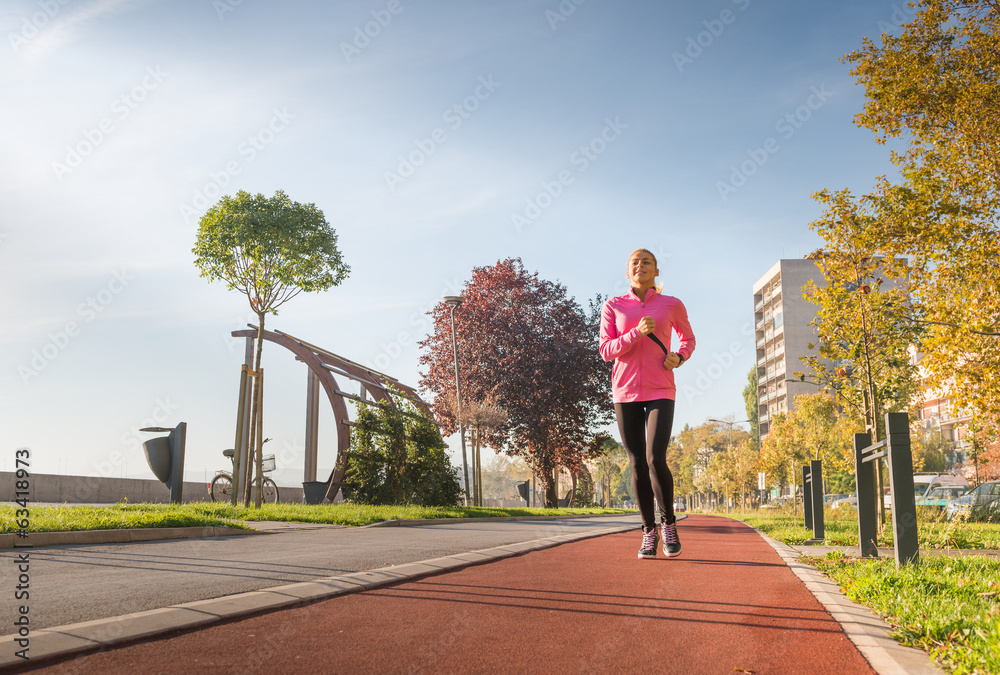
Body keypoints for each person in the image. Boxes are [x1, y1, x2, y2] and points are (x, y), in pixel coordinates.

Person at [599, 248, 696, 559]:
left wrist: (679, 357)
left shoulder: (672, 304)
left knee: (655, 458)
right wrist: (634, 334)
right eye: (634, 263)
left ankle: (669, 525)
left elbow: (688, 339)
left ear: (656, 270)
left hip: (660, 388)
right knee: (637, 462)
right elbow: (606, 350)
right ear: (628, 272)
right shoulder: (613, 306)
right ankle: (647, 531)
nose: (640, 266)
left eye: (647, 262)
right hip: (625, 390)